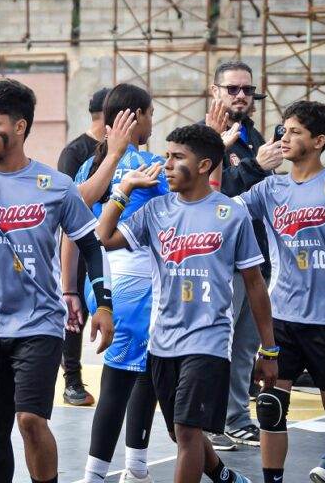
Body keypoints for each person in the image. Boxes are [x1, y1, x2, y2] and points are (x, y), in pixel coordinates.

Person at [95, 123, 278, 483]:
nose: (166, 164)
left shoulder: (231, 214)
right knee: (179, 432)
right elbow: (104, 236)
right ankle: (224, 476)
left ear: (204, 165)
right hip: (162, 342)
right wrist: (124, 188)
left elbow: (255, 285)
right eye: (167, 155)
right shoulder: (155, 210)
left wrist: (269, 350)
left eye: (177, 157)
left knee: (188, 431)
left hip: (209, 341)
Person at [0, 79, 115, 483]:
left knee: (31, 420)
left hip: (39, 324)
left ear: (20, 127)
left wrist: (103, 304)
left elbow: (91, 245)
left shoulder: (55, 186)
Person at [218, 100, 325, 483]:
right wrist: (215, 153)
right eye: (284, 129)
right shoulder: (270, 188)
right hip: (281, 316)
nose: (285, 137)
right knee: (269, 407)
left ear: (318, 141)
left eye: (295, 131)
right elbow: (221, 211)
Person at [71, 84, 167, 483]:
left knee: (133, 371)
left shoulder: (88, 167)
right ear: (135, 117)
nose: (152, 121)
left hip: (101, 281)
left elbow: (74, 228)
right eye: (150, 113)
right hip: (139, 283)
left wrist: (70, 288)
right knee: (125, 379)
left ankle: (136, 467)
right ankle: (98, 473)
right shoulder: (150, 166)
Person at [205, 60, 283, 450]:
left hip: (255, 257)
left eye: (247, 89)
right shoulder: (205, 138)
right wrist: (256, 166)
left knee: (246, 346)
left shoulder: (252, 136)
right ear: (215, 91)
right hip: (221, 260)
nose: (240, 95)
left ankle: (235, 418)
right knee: (218, 343)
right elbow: (212, 195)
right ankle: (209, 422)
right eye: (232, 89)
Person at [58, 87, 110, 407]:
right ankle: (72, 380)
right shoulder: (75, 152)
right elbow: (68, 206)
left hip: (110, 242)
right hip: (79, 242)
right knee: (76, 313)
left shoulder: (119, 149)